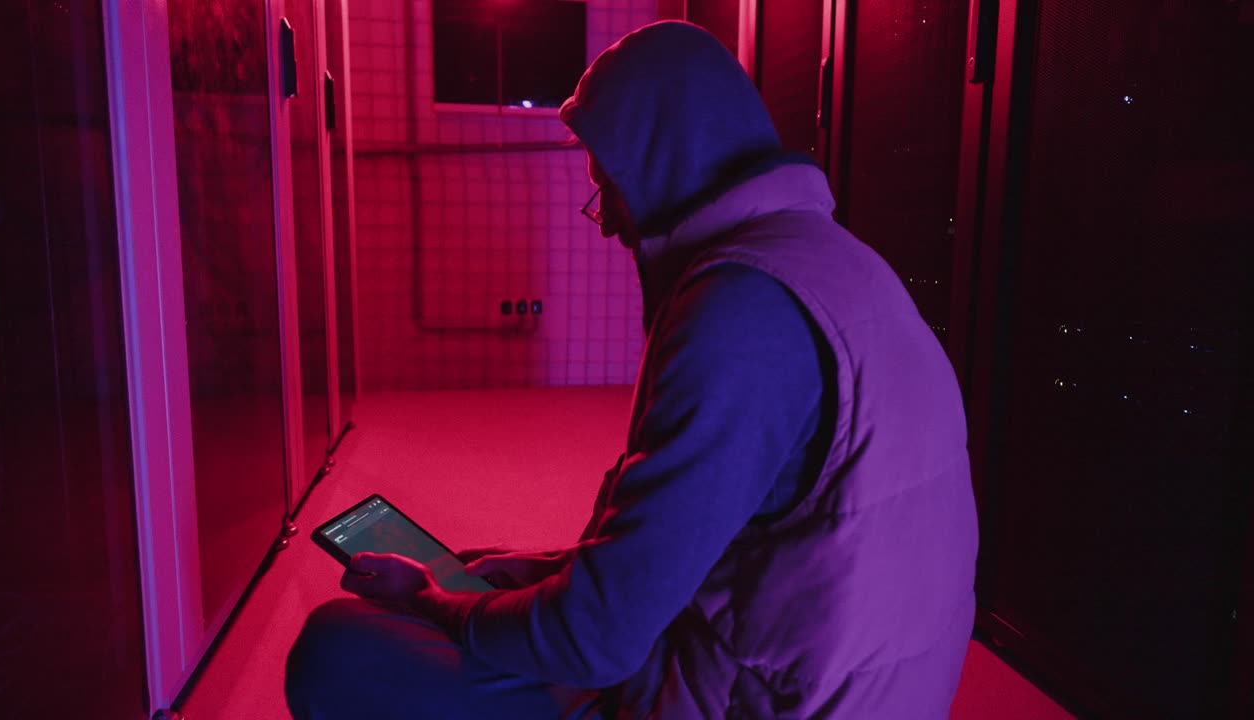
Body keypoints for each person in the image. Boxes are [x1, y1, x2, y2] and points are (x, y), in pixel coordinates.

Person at [286, 20, 978, 719]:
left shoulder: (738, 314)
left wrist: (439, 602)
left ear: (665, 166)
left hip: (773, 701)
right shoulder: (839, 264)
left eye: (610, 187)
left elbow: (597, 642)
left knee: (339, 647)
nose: (609, 220)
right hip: (843, 682)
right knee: (488, 581)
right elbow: (717, 549)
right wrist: (526, 577)